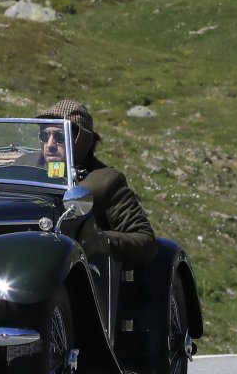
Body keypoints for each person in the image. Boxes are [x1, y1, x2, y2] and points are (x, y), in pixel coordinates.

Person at [37, 99, 157, 267]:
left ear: (81, 140)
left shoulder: (105, 180)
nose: (49, 145)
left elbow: (145, 241)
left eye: (59, 136)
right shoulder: (24, 166)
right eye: (44, 135)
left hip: (78, 271)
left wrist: (98, 239)